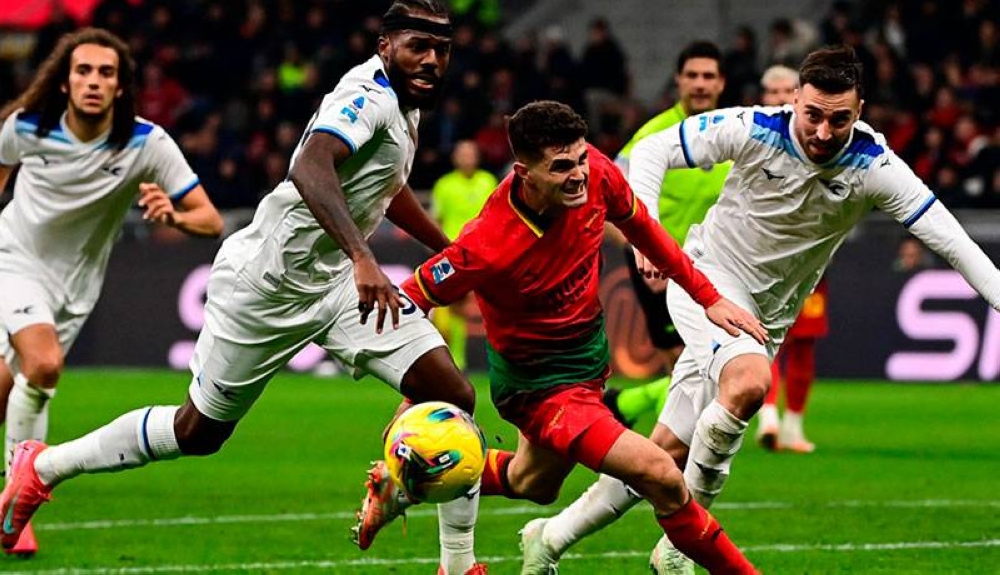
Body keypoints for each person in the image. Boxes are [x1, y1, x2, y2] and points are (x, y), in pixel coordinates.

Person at [0, 5, 490, 574]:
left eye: (441, 50)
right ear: (386, 46)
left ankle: (457, 563)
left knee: (453, 394)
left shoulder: (406, 105)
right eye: (417, 47)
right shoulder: (369, 96)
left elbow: (387, 184)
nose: (431, 60)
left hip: (334, 284)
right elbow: (310, 167)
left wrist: (445, 247)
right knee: (196, 432)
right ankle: (44, 467)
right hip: (265, 287)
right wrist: (364, 255)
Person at [519, 45, 1000, 574]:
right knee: (749, 383)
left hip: (769, 318)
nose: (822, 132)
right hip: (708, 285)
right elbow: (652, 150)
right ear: (794, 100)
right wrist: (645, 234)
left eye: (839, 120)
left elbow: (953, 241)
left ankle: (549, 538)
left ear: (859, 111)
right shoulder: (753, 128)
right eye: (812, 115)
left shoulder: (875, 166)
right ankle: (680, 548)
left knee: (664, 454)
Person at [353, 100, 767, 575]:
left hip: (588, 363)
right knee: (660, 474)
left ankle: (404, 483)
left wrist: (708, 297)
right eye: (561, 167)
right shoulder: (486, 243)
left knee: (532, 483)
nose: (579, 175)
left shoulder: (598, 175)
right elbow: (411, 299)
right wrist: (416, 391)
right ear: (523, 173)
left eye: (581, 159)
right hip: (538, 389)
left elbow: (645, 231)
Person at [0, 27, 224, 557]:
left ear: (121, 86)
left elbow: (210, 219)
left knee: (10, 386)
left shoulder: (146, 143)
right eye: (83, 71)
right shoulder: (26, 126)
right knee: (44, 364)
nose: (94, 81)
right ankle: (18, 502)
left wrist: (173, 216)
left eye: (106, 73)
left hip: (76, 288)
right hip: (14, 261)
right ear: (64, 81)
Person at [604, 41, 729, 426]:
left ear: (721, 83)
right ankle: (678, 446)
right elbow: (609, 201)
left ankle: (629, 404)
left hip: (718, 266)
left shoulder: (734, 133)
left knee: (713, 361)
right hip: (661, 266)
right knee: (682, 359)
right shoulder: (653, 136)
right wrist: (644, 253)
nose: (700, 84)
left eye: (708, 76)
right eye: (692, 75)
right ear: (678, 80)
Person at [754, 64, 827, 453]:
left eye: (787, 92)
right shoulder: (751, 138)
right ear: (763, 97)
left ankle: (793, 427)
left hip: (811, 261)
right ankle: (768, 416)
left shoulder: (820, 140)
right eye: (774, 92)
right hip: (762, 262)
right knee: (765, 338)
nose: (781, 98)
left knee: (804, 343)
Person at [429, 140, 497, 371]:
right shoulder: (444, 185)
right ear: (454, 157)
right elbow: (436, 219)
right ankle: (456, 359)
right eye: (462, 154)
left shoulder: (488, 181)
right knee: (446, 305)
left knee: (492, 305)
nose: (467, 158)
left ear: (477, 156)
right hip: (450, 253)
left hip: (483, 253)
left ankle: (499, 359)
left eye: (470, 153)